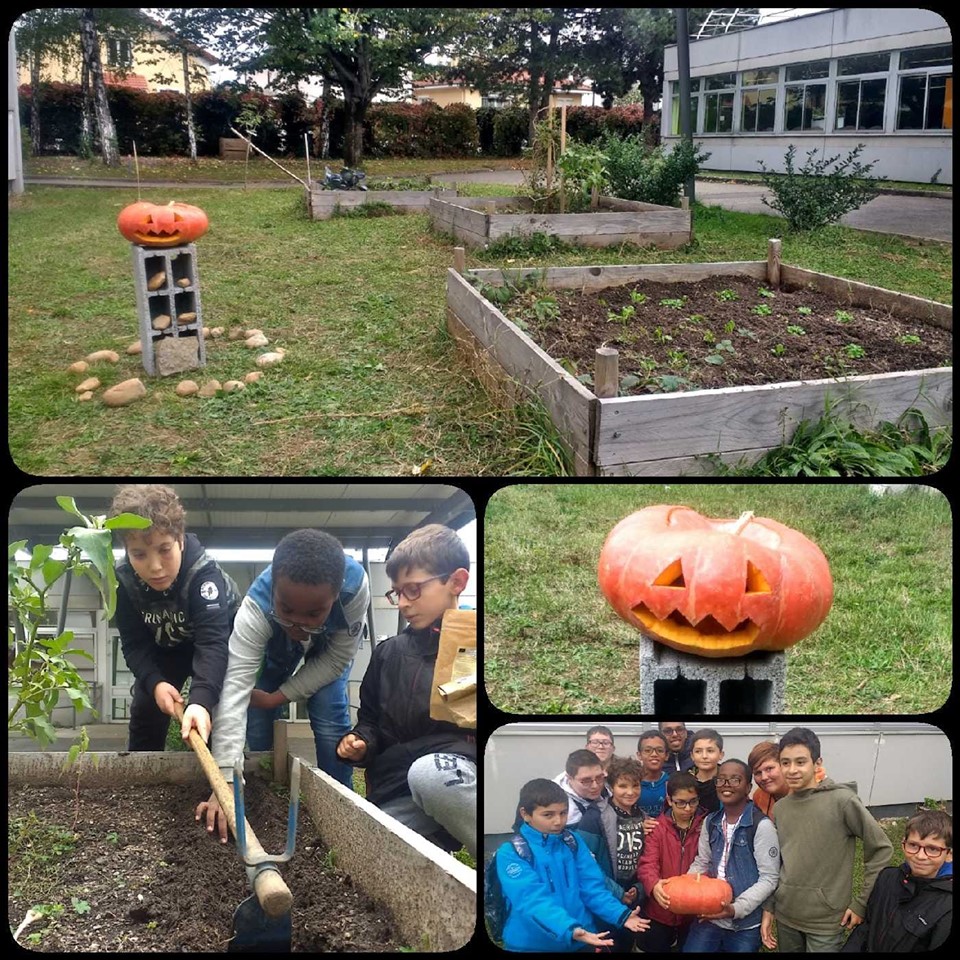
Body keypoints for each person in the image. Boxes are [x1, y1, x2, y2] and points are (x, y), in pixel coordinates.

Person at [197, 528, 369, 840]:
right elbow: (235, 689)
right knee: (257, 716)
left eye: (314, 612)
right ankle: (265, 793)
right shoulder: (255, 609)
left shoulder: (355, 588)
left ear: (335, 594)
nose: (298, 622)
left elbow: (335, 661)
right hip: (276, 647)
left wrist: (279, 697)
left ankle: (342, 812)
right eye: (287, 608)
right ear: (274, 586)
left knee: (328, 708)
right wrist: (224, 784)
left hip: (328, 650)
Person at [337, 524, 476, 856]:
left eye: (413, 590)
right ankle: (433, 835)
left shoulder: (476, 644)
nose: (402, 603)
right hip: (397, 786)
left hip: (452, 776)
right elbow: (370, 720)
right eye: (396, 592)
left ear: (456, 581)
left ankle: (504, 866)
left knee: (430, 776)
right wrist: (361, 742)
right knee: (361, 851)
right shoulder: (387, 654)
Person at [110, 483, 239, 751]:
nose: (155, 567)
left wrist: (200, 701)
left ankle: (221, 780)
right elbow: (134, 645)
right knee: (146, 707)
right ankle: (143, 783)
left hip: (217, 644)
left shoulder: (204, 576)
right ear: (126, 550)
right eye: (139, 554)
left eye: (164, 549)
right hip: (166, 648)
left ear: (179, 539)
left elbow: (213, 644)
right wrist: (155, 683)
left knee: (216, 709)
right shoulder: (121, 580)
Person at [760, 727, 893, 953]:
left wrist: (861, 903)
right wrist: (770, 907)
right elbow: (780, 861)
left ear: (817, 762)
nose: (792, 770)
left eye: (800, 762)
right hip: (787, 914)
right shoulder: (781, 808)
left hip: (825, 921)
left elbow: (881, 849)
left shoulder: (842, 801)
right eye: (785, 762)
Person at [494, 778, 650, 952]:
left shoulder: (572, 841)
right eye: (548, 814)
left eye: (563, 813)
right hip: (534, 944)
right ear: (525, 814)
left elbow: (592, 886)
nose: (558, 821)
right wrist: (570, 929)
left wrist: (620, 914)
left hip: (583, 936)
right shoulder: (511, 853)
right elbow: (531, 900)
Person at [682, 759, 780, 953]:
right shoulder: (711, 822)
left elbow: (769, 878)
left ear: (748, 788)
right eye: (721, 780)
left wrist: (735, 909)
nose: (726, 785)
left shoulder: (761, 826)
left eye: (735, 780)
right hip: (709, 914)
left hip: (744, 923)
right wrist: (684, 885)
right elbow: (703, 861)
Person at [841, 809, 952, 952]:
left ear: (949, 855)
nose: (921, 856)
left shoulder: (947, 905)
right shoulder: (887, 877)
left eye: (932, 849)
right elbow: (868, 925)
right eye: (913, 845)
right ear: (903, 845)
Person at [636, 771, 707, 952]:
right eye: (680, 803)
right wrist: (653, 884)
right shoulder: (657, 828)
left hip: (693, 910)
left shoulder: (706, 825)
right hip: (660, 908)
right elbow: (647, 863)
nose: (687, 808)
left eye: (693, 801)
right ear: (669, 799)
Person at [748, 740, 826, 819]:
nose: (764, 777)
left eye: (769, 769)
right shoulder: (759, 796)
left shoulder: (811, 792)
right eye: (758, 773)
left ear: (784, 765)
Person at [555, 749, 611, 828]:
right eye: (586, 781)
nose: (595, 786)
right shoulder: (558, 805)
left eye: (599, 778)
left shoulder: (610, 788)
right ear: (569, 778)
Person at [637, 729, 671, 836]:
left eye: (659, 750)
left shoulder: (671, 783)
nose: (654, 754)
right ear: (639, 755)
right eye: (648, 750)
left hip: (665, 837)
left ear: (666, 755)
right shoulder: (631, 784)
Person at [690, 728, 725, 815]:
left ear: (721, 754)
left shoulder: (728, 781)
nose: (704, 756)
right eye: (698, 751)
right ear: (692, 755)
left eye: (710, 751)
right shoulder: (686, 781)